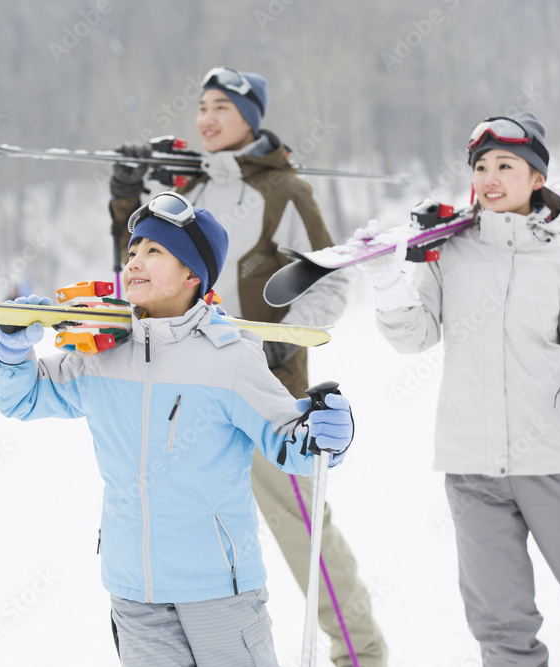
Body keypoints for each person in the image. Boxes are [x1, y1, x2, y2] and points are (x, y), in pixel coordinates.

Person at [0, 193, 356, 667]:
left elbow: (294, 446)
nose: (135, 261)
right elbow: (23, 398)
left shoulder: (230, 357)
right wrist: (11, 354)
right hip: (134, 592)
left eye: (154, 251)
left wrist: (326, 433)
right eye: (133, 251)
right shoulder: (100, 353)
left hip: (219, 592)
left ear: (192, 275)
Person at [363, 112, 560, 666]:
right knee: (499, 623)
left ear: (537, 180)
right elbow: (415, 336)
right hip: (471, 469)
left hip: (552, 460)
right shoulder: (447, 252)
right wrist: (387, 284)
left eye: (506, 165)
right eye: (481, 166)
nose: (489, 177)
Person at [109, 67, 386, 667]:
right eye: (201, 107)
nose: (206, 118)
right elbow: (137, 282)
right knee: (200, 540)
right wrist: (127, 198)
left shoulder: (283, 190)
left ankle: (360, 655)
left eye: (221, 108)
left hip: (263, 391)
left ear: (250, 118)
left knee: (302, 531)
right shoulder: (192, 193)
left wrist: (280, 345)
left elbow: (331, 279)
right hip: (189, 395)